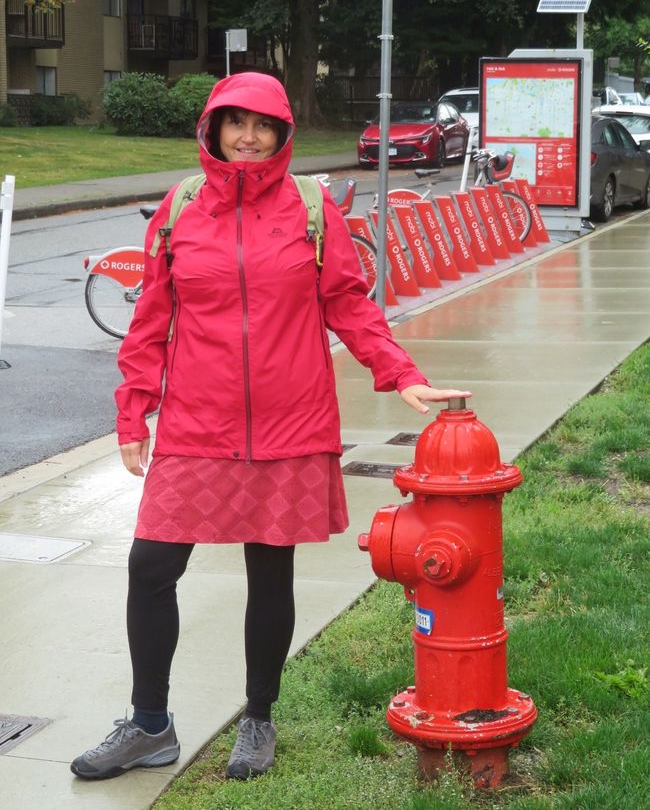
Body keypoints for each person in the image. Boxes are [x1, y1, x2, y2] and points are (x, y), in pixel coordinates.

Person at [70, 72, 470, 782]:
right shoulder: (183, 207)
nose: (248, 137)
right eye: (235, 123)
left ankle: (259, 717)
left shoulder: (310, 208)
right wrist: (133, 411)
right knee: (151, 566)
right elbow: (151, 320)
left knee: (270, 569)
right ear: (214, 129)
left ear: (283, 134)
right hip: (198, 421)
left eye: (263, 125)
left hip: (291, 421)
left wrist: (400, 373)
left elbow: (348, 304)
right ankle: (149, 724)